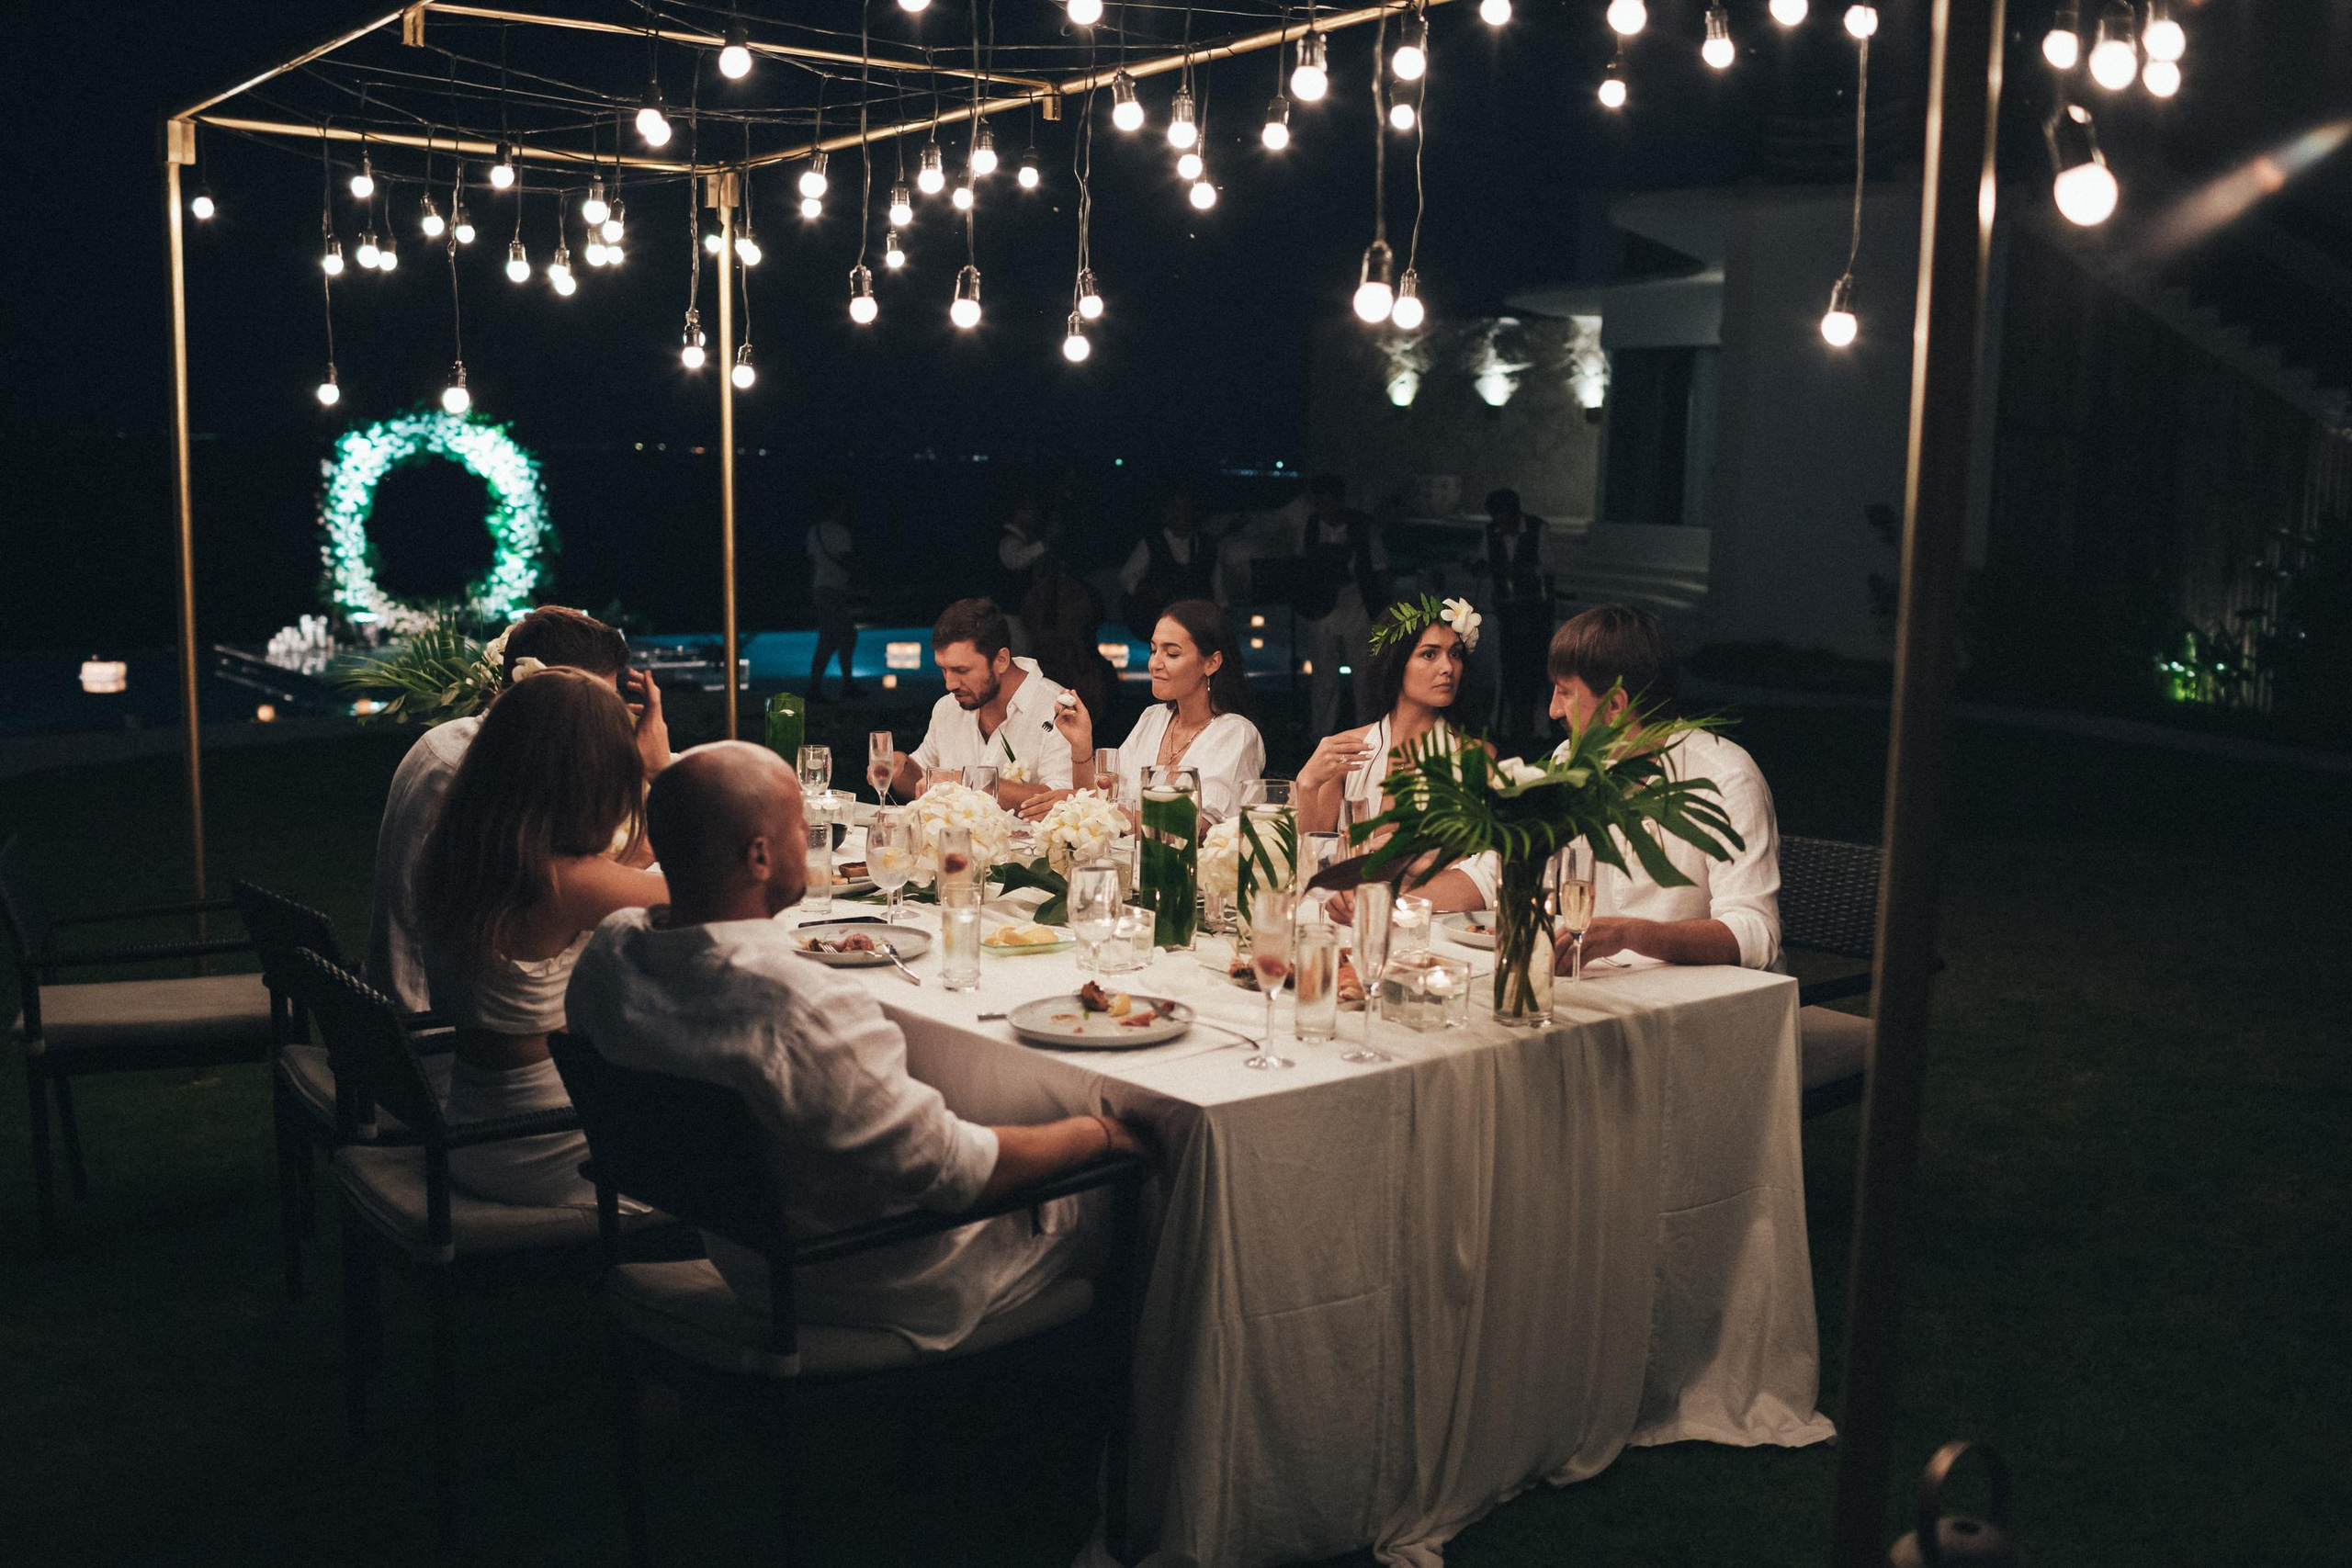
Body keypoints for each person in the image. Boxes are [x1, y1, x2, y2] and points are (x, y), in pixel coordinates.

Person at [566, 742, 1151, 1352]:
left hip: (746, 1257)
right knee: (1131, 1184)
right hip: (877, 1279)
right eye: (802, 824)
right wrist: (1101, 1133)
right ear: (760, 856)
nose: (813, 835)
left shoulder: (611, 956)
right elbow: (957, 1174)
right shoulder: (800, 1004)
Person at [414, 668, 670, 1208]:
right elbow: (715, 896)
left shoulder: (462, 848)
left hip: (475, 1123)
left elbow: (620, 870)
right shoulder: (568, 882)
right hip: (549, 1143)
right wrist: (658, 772)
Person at [366, 605, 671, 1014]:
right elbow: (710, 897)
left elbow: (576, 882)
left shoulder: (459, 745)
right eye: (598, 709)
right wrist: (658, 773)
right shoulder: (480, 771)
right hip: (428, 1026)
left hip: (431, 1010)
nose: (609, 726)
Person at [1540, 605, 1782, 970]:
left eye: (1565, 693)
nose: (1553, 711)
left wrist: (1629, 935)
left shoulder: (1726, 777)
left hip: (1704, 1002)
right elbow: (1502, 871)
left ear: (1615, 706)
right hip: (1604, 987)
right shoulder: (1571, 763)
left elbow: (1755, 933)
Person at [1021, 599, 1265, 828]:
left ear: (1211, 663)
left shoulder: (1235, 733)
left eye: (1172, 654)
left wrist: (1093, 805)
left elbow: (1194, 827)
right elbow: (1105, 797)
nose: (1155, 663)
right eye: (1153, 650)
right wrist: (1081, 744)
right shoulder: (1153, 718)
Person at [1297, 595, 1483, 838]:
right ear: (1395, 663)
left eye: (1455, 654)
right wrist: (1307, 784)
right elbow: (1311, 858)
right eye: (1429, 654)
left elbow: (1472, 860)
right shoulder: (1346, 750)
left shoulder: (1474, 755)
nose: (1447, 668)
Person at [882, 597, 1072, 810]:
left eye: (961, 671)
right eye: (943, 669)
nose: (949, 684)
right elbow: (923, 781)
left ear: (1001, 660)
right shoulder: (947, 707)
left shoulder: (1056, 709)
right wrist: (900, 768)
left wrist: (966, 781)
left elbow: (1063, 800)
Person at [1294, 474, 1388, 734]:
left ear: (1340, 500)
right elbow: (1301, 567)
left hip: (1357, 605)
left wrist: (1382, 610)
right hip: (1321, 608)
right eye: (1321, 503)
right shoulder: (1310, 527)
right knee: (1324, 676)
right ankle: (1320, 735)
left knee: (1364, 675)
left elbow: (1380, 569)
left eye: (1331, 502)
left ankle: (1368, 734)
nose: (1327, 509)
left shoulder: (1362, 526)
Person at [1484, 489, 1555, 746]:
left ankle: (1540, 729)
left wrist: (1521, 573)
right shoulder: (1490, 532)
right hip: (1506, 610)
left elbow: (1547, 568)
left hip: (1534, 611)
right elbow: (1485, 562)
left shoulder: (1537, 528)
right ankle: (1505, 725)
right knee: (1508, 670)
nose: (1499, 522)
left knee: (1535, 670)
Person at [1119, 479, 1227, 639]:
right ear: (1166, 513)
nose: (1181, 514)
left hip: (1196, 626)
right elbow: (1126, 577)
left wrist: (1223, 614)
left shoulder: (1206, 545)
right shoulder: (1152, 543)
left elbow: (1218, 588)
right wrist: (1149, 591)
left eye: (1185, 509)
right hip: (1159, 622)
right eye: (1176, 508)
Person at [804, 490, 862, 703]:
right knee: (838, 637)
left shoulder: (814, 531)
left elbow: (812, 562)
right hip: (833, 589)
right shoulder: (839, 531)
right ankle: (829, 686)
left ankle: (831, 684)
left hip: (820, 587)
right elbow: (847, 559)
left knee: (835, 636)